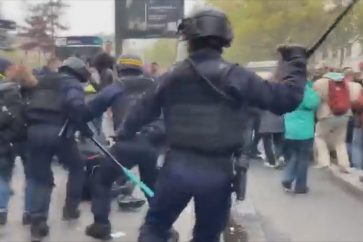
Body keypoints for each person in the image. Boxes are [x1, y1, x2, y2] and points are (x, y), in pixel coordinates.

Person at [115, 7, 307, 242]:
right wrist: (295, 61)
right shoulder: (236, 76)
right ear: (225, 38)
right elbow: (286, 100)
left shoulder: (171, 76)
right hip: (217, 172)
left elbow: (138, 113)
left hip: (176, 168)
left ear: (189, 39)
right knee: (207, 235)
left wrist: (123, 135)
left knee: (155, 228)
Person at [84, 54, 161, 240]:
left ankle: (101, 225)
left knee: (102, 180)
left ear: (119, 68)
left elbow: (91, 110)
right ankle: (162, 226)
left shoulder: (116, 87)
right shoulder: (157, 85)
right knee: (153, 185)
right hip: (152, 144)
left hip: (126, 143)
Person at [25, 56, 92, 241]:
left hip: (33, 132)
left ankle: (38, 222)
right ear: (77, 72)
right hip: (59, 133)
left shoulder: (42, 80)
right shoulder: (72, 84)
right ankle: (70, 209)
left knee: (40, 177)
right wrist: (84, 128)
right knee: (78, 166)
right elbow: (75, 106)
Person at [0, 59, 33, 225]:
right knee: (31, 176)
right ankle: (29, 212)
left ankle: (1, 210)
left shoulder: (3, 90)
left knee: (3, 176)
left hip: (4, 138)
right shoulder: (31, 89)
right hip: (28, 137)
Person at [314, 71, 361, 172]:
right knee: (340, 141)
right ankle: (344, 164)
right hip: (345, 115)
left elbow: (316, 100)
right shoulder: (347, 83)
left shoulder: (320, 83)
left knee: (319, 137)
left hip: (326, 115)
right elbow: (354, 97)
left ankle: (324, 162)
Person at [282, 79, 320, 194]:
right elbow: (313, 103)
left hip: (290, 129)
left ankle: (288, 178)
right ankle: (300, 186)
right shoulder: (306, 90)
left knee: (294, 155)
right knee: (303, 158)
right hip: (304, 130)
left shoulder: (287, 90)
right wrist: (312, 91)